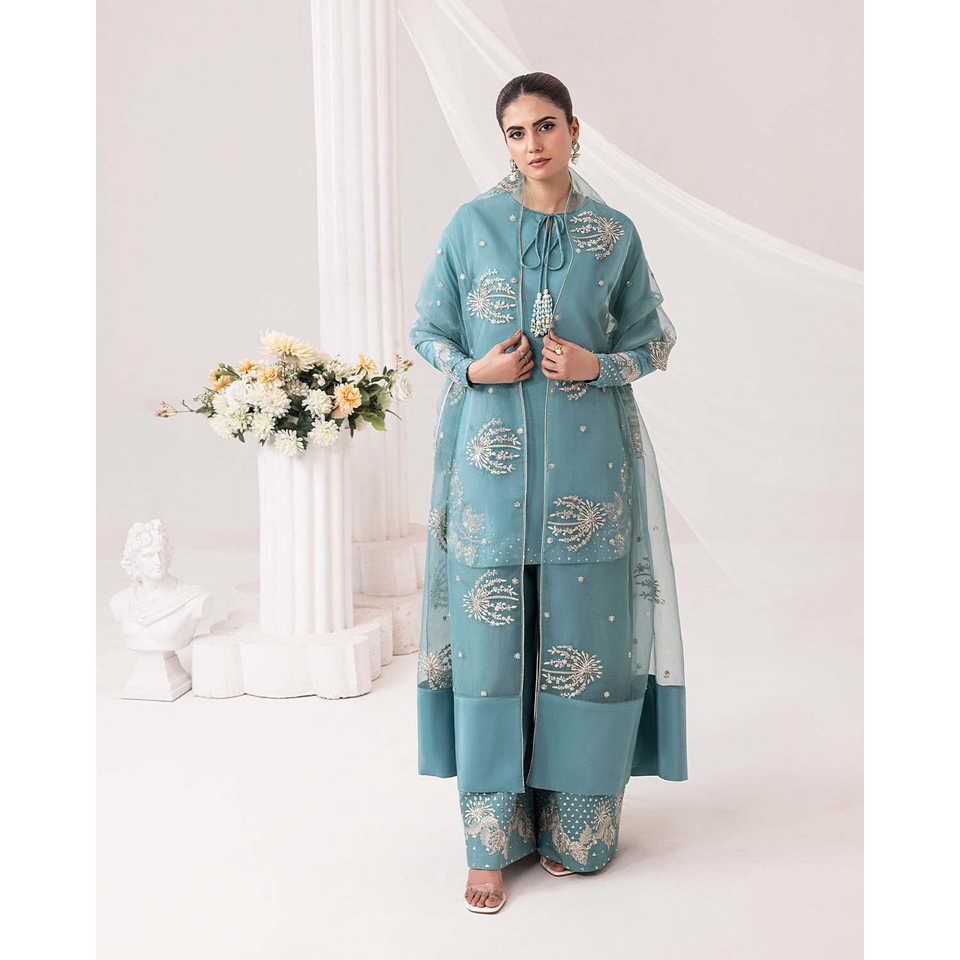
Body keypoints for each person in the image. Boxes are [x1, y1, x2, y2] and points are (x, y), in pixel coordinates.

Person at [409, 72, 687, 914]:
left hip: (590, 474)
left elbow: (655, 339)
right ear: (504, 141)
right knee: (492, 645)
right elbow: (428, 329)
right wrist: (474, 371)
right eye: (516, 131)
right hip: (489, 477)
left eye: (545, 125)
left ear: (574, 130)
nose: (532, 143)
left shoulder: (613, 233)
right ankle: (491, 840)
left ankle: (577, 821)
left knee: (586, 641)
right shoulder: (471, 226)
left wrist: (598, 364)